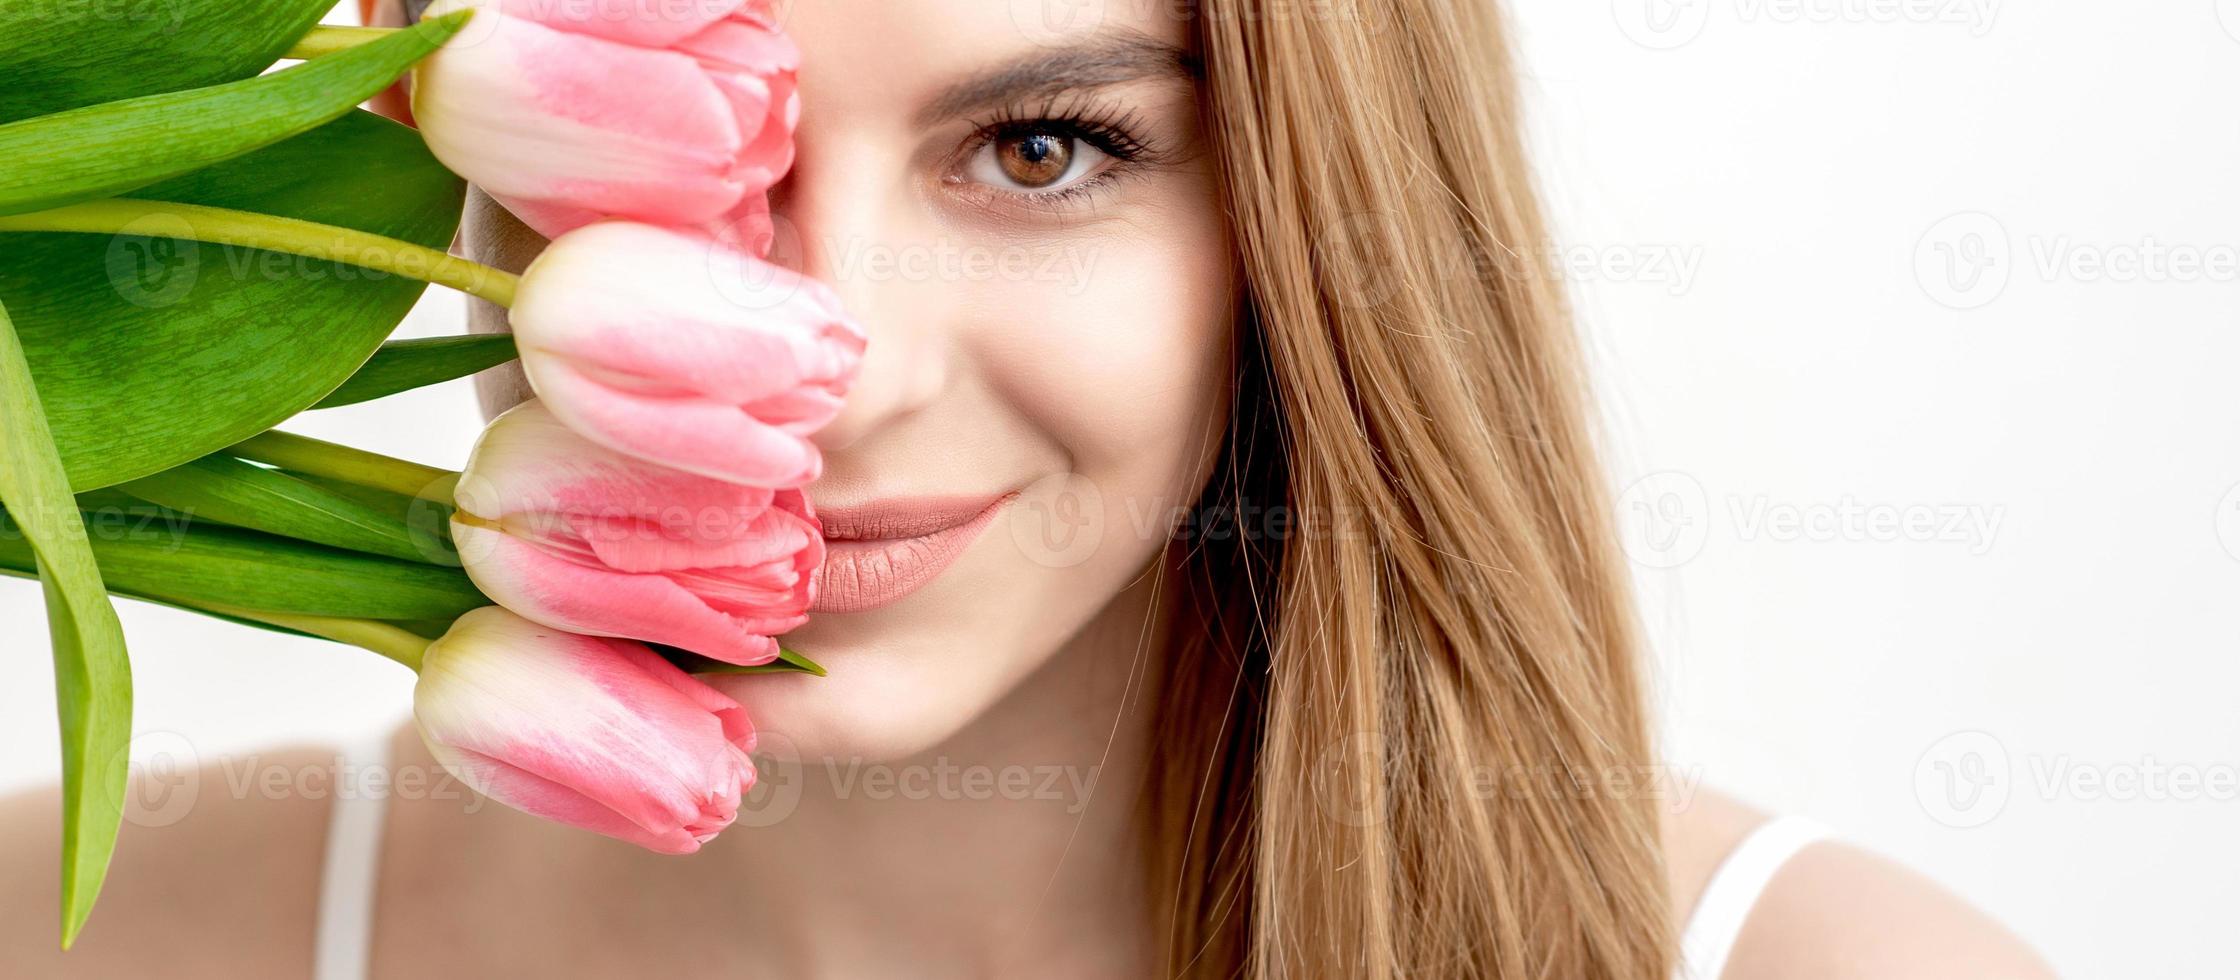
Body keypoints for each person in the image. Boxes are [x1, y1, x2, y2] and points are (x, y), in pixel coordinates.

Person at [0, 0, 2056, 976]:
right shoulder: (81, 929)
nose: (845, 369)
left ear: (1304, 210)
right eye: (687, 170)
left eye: (1043, 149)